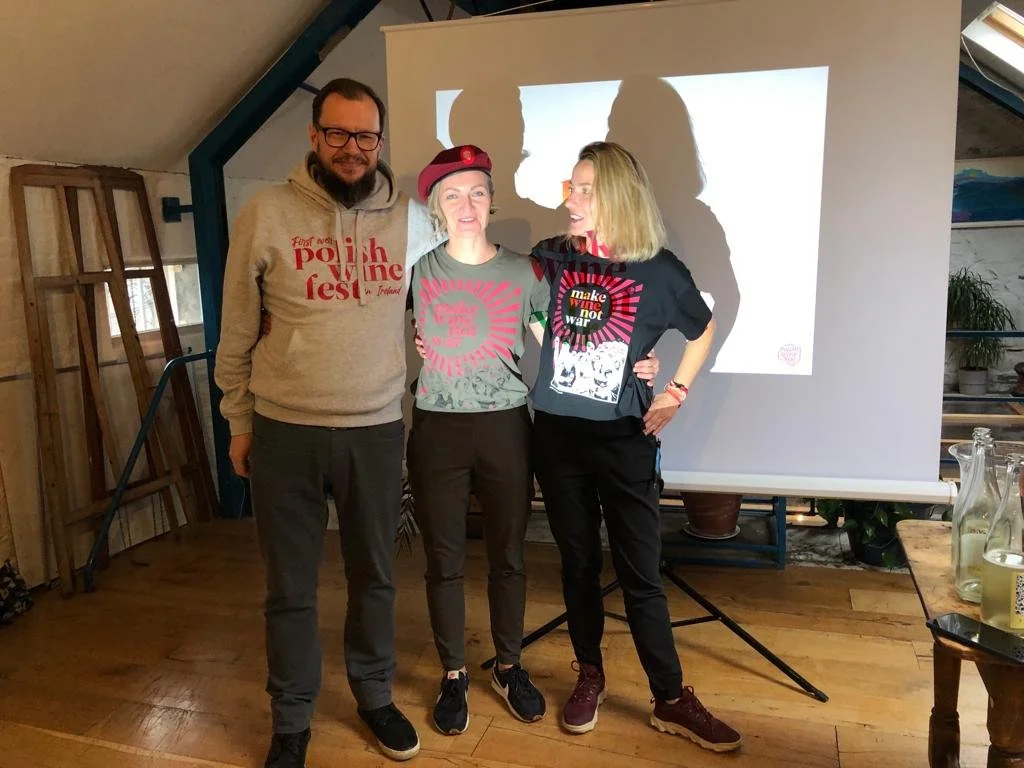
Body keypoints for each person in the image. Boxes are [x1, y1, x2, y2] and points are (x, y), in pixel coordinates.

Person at [214, 77, 444, 767]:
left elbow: (464, 273)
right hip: (284, 430)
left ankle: (374, 694)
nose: (352, 148)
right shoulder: (266, 212)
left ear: (380, 141)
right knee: (289, 586)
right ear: (314, 136)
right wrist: (238, 419)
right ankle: (291, 718)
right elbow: (236, 329)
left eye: (365, 136)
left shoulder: (413, 220)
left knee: (375, 575)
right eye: (337, 133)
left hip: (375, 428)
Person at [407, 144, 661, 736]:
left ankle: (508, 666)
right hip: (436, 425)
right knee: (444, 559)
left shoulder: (526, 272)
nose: (466, 206)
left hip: (505, 425)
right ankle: (452, 674)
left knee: (509, 556)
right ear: (436, 206)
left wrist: (636, 364)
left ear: (491, 200)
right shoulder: (416, 270)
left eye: (477, 193)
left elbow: (574, 337)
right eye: (452, 195)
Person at [528, 141, 742, 753]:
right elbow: (526, 309)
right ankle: (590, 675)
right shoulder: (551, 257)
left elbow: (703, 327)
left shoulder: (659, 269)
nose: (571, 200)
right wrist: (556, 344)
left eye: (585, 190)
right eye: (570, 187)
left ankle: (669, 697)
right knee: (577, 564)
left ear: (619, 196)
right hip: (558, 435)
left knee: (640, 574)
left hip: (625, 439)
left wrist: (674, 390)